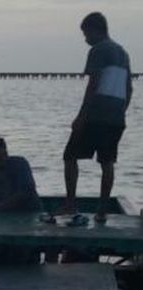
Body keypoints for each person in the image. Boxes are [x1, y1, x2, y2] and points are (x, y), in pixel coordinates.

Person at [62, 12, 132, 223]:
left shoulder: (98, 50)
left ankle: (70, 203)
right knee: (107, 162)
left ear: (95, 29)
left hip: (96, 115)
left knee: (70, 156)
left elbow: (94, 84)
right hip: (116, 117)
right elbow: (129, 88)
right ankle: (102, 210)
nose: (85, 39)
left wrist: (81, 116)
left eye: (86, 33)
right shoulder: (123, 53)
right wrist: (121, 112)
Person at [0, 137, 41, 213]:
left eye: (5, 155)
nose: (4, 160)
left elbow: (27, 191)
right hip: (3, 217)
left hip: (30, 212)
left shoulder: (20, 163)